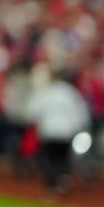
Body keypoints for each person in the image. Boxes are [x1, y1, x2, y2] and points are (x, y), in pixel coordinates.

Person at [25, 65, 91, 196]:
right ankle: (62, 181)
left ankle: (52, 184)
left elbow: (32, 112)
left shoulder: (46, 91)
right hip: (66, 132)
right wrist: (79, 128)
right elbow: (82, 114)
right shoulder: (71, 92)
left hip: (48, 131)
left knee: (49, 158)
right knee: (64, 158)